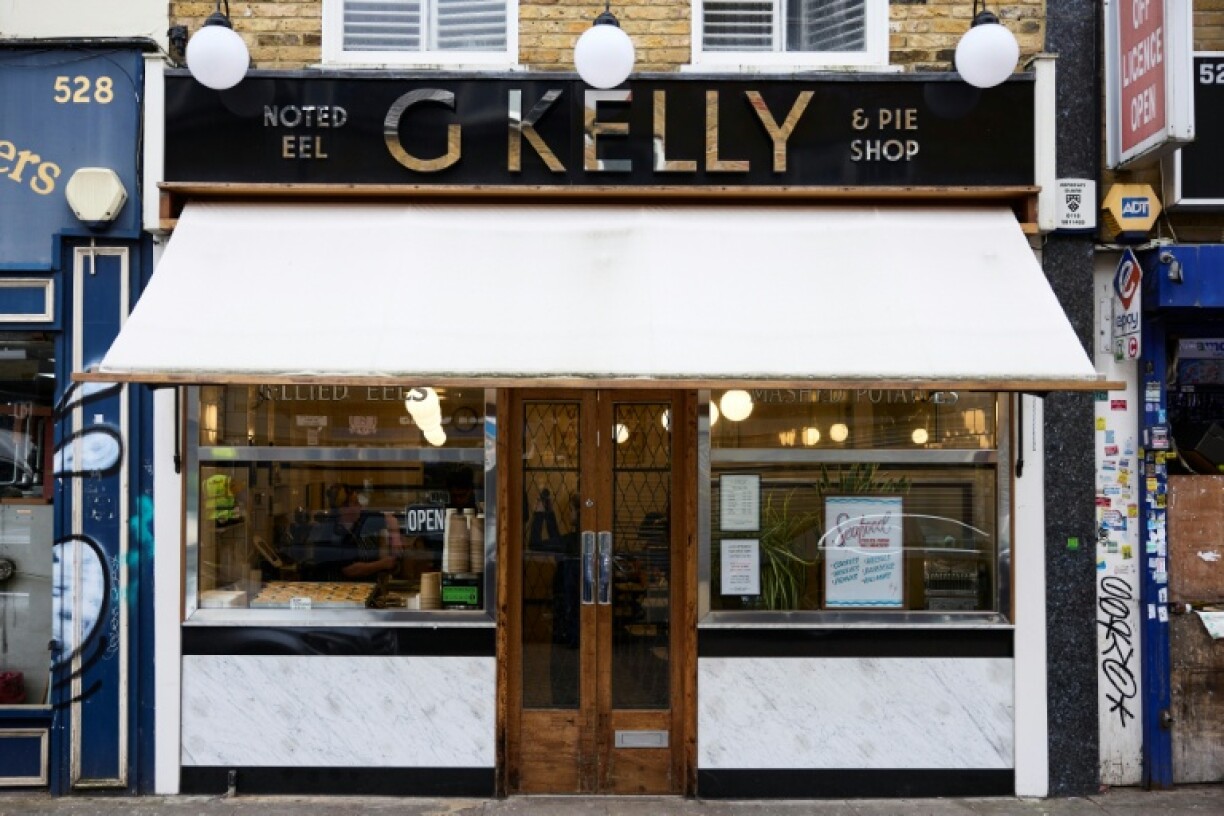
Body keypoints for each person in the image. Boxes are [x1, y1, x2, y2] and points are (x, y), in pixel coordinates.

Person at [305, 483, 403, 581]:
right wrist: (382, 564)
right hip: (339, 586)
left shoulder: (361, 519)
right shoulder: (331, 533)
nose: (360, 506)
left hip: (367, 585)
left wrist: (395, 539)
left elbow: (391, 519)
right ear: (343, 509)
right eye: (356, 503)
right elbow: (351, 570)